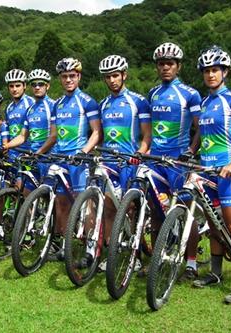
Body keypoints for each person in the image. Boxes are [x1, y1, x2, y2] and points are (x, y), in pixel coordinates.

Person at [192, 46, 231, 304]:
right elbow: (200, 134)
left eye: (215, 70)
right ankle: (215, 274)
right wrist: (190, 151)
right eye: (206, 71)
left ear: (225, 71)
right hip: (208, 170)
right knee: (213, 225)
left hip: (229, 171)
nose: (210, 75)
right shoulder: (204, 103)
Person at [146, 42, 202, 280]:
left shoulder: (190, 94)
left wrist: (190, 150)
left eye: (170, 63)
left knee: (186, 211)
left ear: (178, 66)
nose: (165, 68)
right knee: (156, 212)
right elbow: (148, 129)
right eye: (161, 64)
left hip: (178, 162)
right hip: (155, 160)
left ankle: (191, 262)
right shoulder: (152, 93)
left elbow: (200, 128)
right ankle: (157, 258)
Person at [44, 57, 101, 259]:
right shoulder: (57, 104)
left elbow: (96, 132)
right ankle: (65, 247)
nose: (68, 80)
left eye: (72, 76)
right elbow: (53, 135)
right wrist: (39, 154)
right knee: (61, 203)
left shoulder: (87, 101)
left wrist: (83, 152)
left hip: (79, 159)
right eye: (64, 76)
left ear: (78, 77)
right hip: (60, 158)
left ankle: (90, 249)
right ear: (60, 78)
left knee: (85, 205)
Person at [97, 55, 151, 266]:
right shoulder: (103, 104)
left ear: (124, 75)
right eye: (108, 77)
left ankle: (134, 257)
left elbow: (147, 134)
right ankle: (112, 254)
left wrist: (141, 153)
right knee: (109, 209)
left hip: (130, 162)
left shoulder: (138, 101)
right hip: (109, 162)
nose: (112, 80)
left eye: (115, 75)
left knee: (131, 211)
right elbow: (100, 135)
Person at [3, 68, 55, 190]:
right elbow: (22, 136)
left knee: (51, 196)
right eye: (34, 84)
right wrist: (5, 147)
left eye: (40, 84)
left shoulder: (52, 105)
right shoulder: (30, 109)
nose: (37, 87)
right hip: (32, 155)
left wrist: (40, 151)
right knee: (26, 192)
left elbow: (54, 135)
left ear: (47, 86)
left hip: (48, 156)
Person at [4, 69, 35, 158]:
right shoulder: (9, 107)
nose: (14, 89)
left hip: (27, 152)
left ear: (24, 86)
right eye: (11, 86)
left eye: (18, 86)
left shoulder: (31, 103)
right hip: (12, 152)